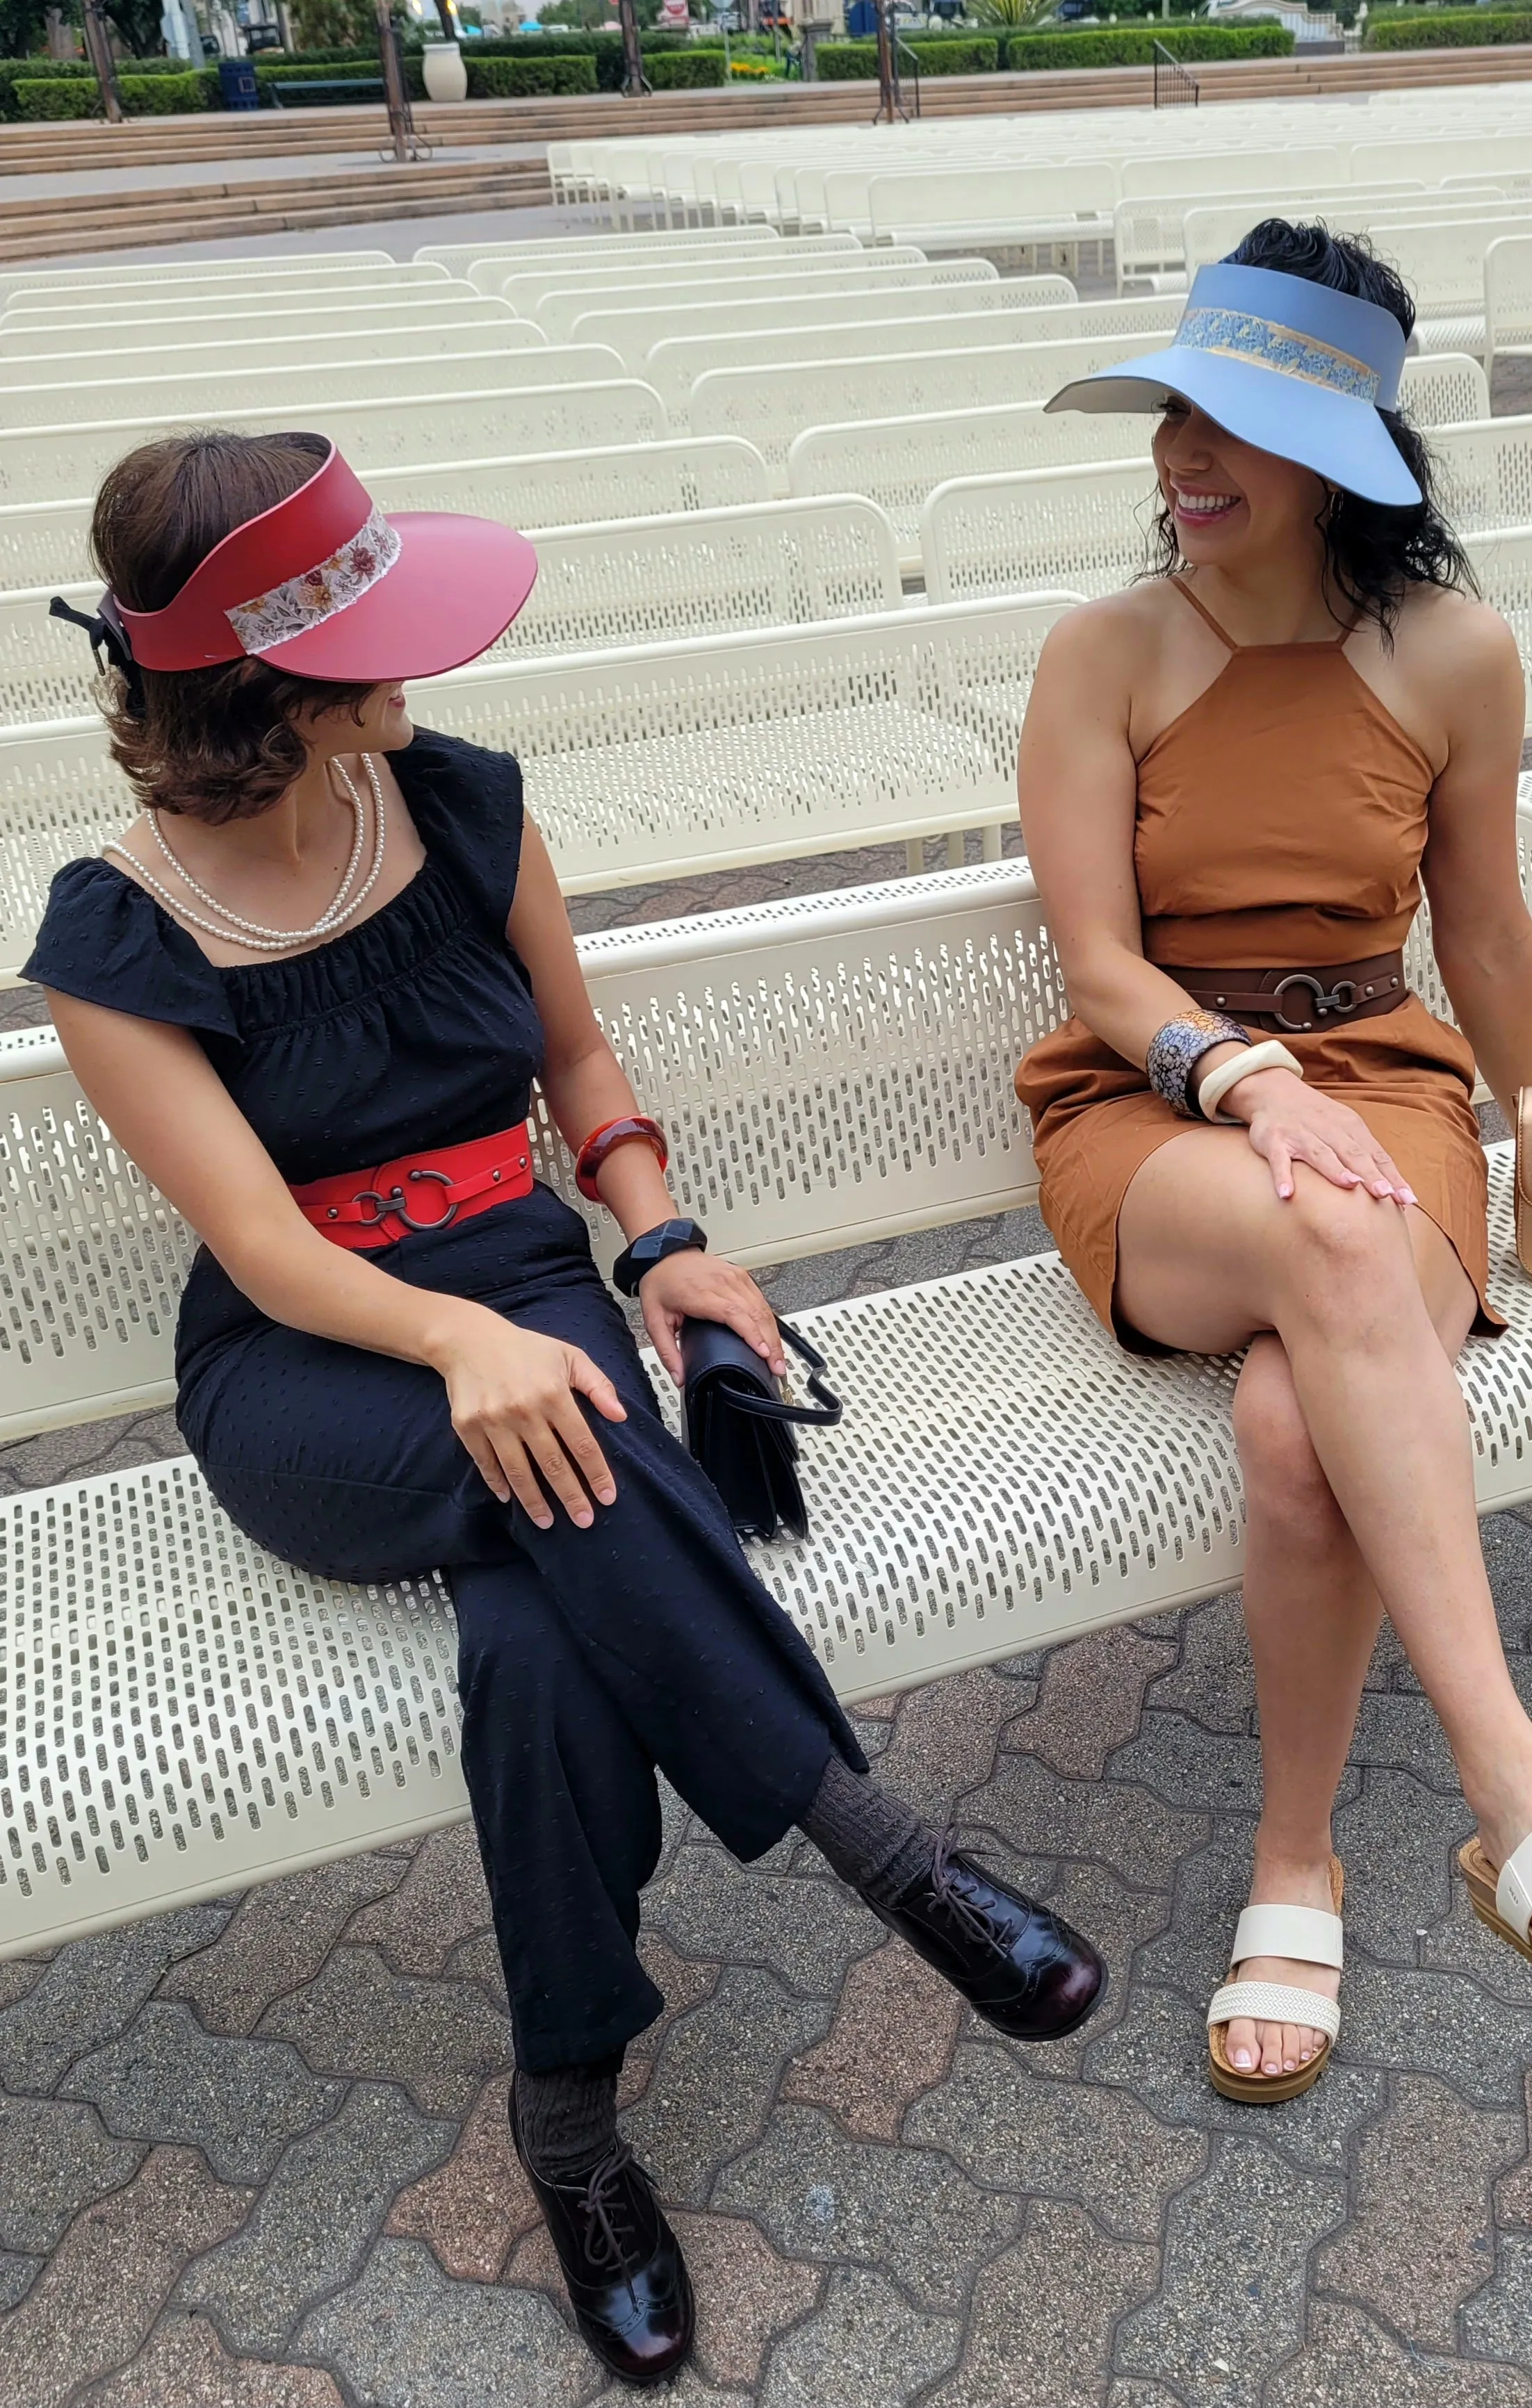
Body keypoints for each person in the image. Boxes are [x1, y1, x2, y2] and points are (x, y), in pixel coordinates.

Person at [32, 429, 1106, 2389]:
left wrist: (658, 1238)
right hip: (308, 1367)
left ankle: (570, 2117)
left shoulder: (460, 809)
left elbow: (580, 1056)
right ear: (263, 676)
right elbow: (261, 1250)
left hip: (528, 1284)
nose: (416, 660)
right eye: (370, 630)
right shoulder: (117, 933)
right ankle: (878, 1843)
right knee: (569, 1463)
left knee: (540, 1642)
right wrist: (452, 1348)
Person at [1017, 222, 1532, 2104]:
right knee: (1317, 1226)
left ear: (1343, 453)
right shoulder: (1106, 650)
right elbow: (1094, 960)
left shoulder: (1455, 654)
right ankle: (1518, 1795)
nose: (1180, 459)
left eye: (1229, 426)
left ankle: (1290, 1870)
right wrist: (1239, 1079)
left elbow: (1478, 928)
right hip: (1151, 1109)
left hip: (1381, 1090)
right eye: (1169, 416)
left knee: (1289, 1437)